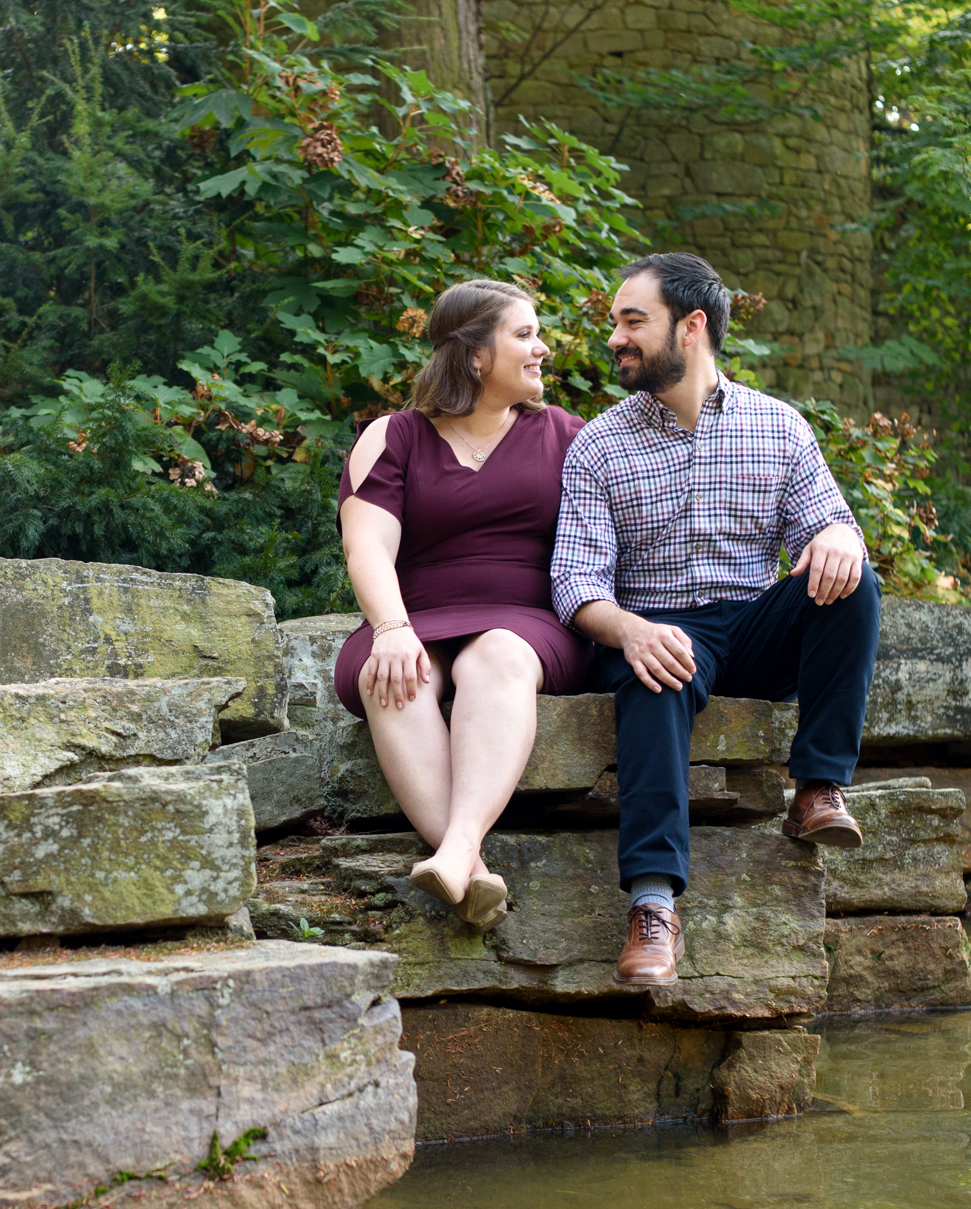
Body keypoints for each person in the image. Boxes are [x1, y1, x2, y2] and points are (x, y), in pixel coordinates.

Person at [551, 251, 881, 985]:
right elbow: (574, 583)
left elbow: (829, 530)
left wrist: (837, 534)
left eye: (633, 321)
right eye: (614, 323)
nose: (615, 337)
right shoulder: (598, 445)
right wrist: (631, 629)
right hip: (656, 627)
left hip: (752, 624)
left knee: (855, 580)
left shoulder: (780, 427)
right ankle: (652, 905)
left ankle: (819, 788)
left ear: (691, 326)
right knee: (654, 669)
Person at [335, 278, 594, 929]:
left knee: (497, 654)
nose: (542, 350)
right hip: (414, 615)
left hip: (528, 623)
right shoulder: (392, 437)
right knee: (388, 671)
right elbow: (366, 546)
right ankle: (471, 873)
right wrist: (390, 627)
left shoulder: (570, 437)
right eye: (525, 335)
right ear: (476, 354)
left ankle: (455, 849)